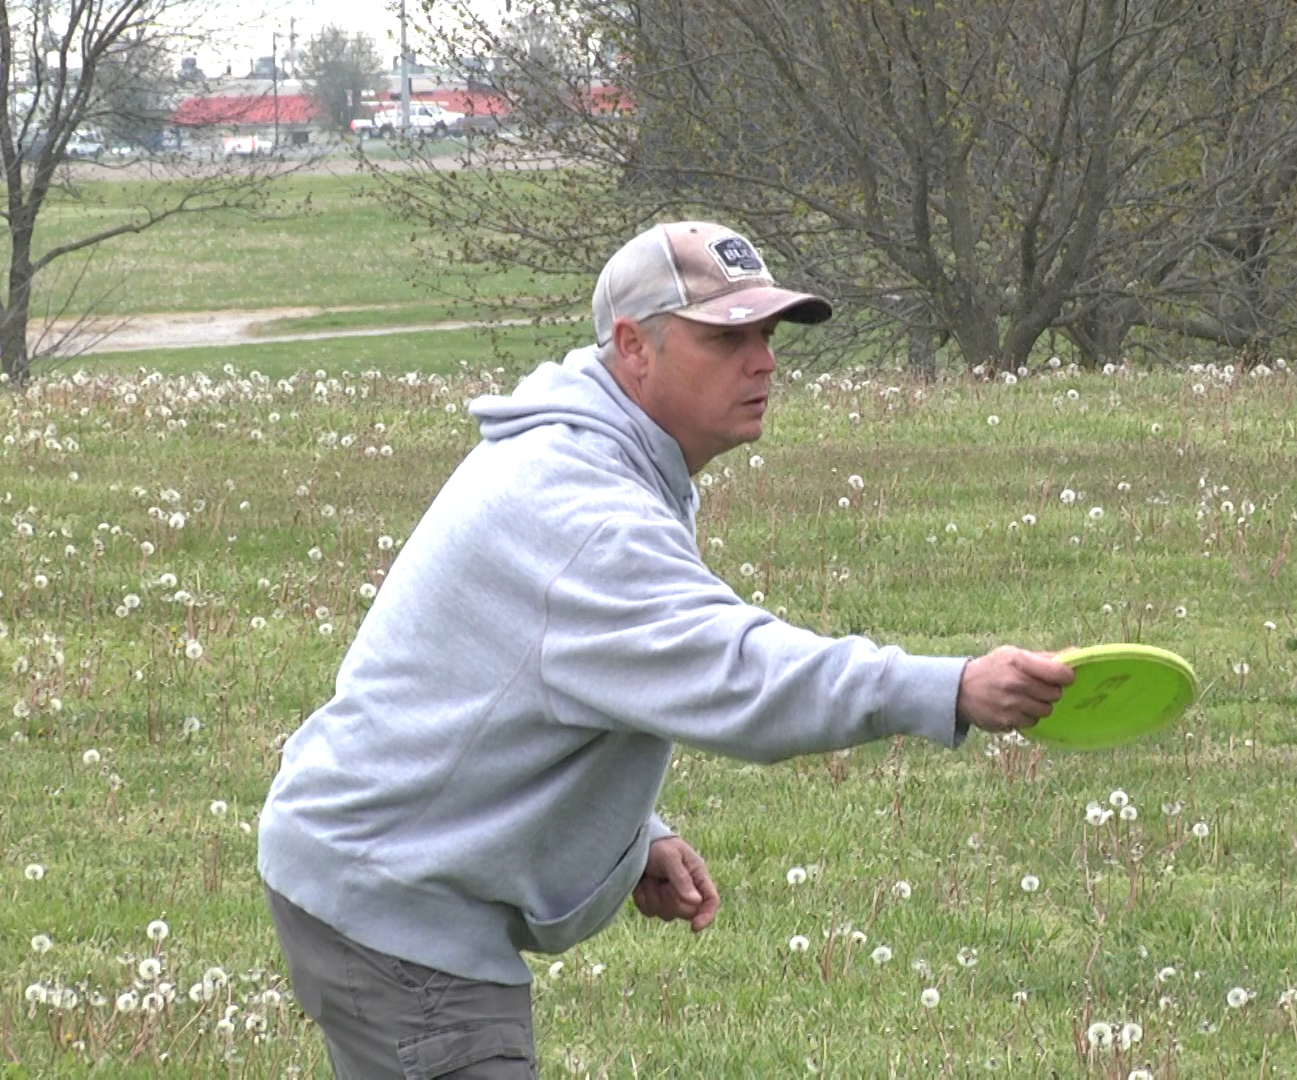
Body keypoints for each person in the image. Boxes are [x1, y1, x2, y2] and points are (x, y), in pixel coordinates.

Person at [257, 221, 1075, 1078]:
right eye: (726, 338)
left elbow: (529, 681)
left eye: (766, 335)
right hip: (392, 902)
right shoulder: (584, 510)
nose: (762, 362)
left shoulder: (605, 461)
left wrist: (630, 834)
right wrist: (949, 687)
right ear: (631, 346)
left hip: (378, 866)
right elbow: (735, 675)